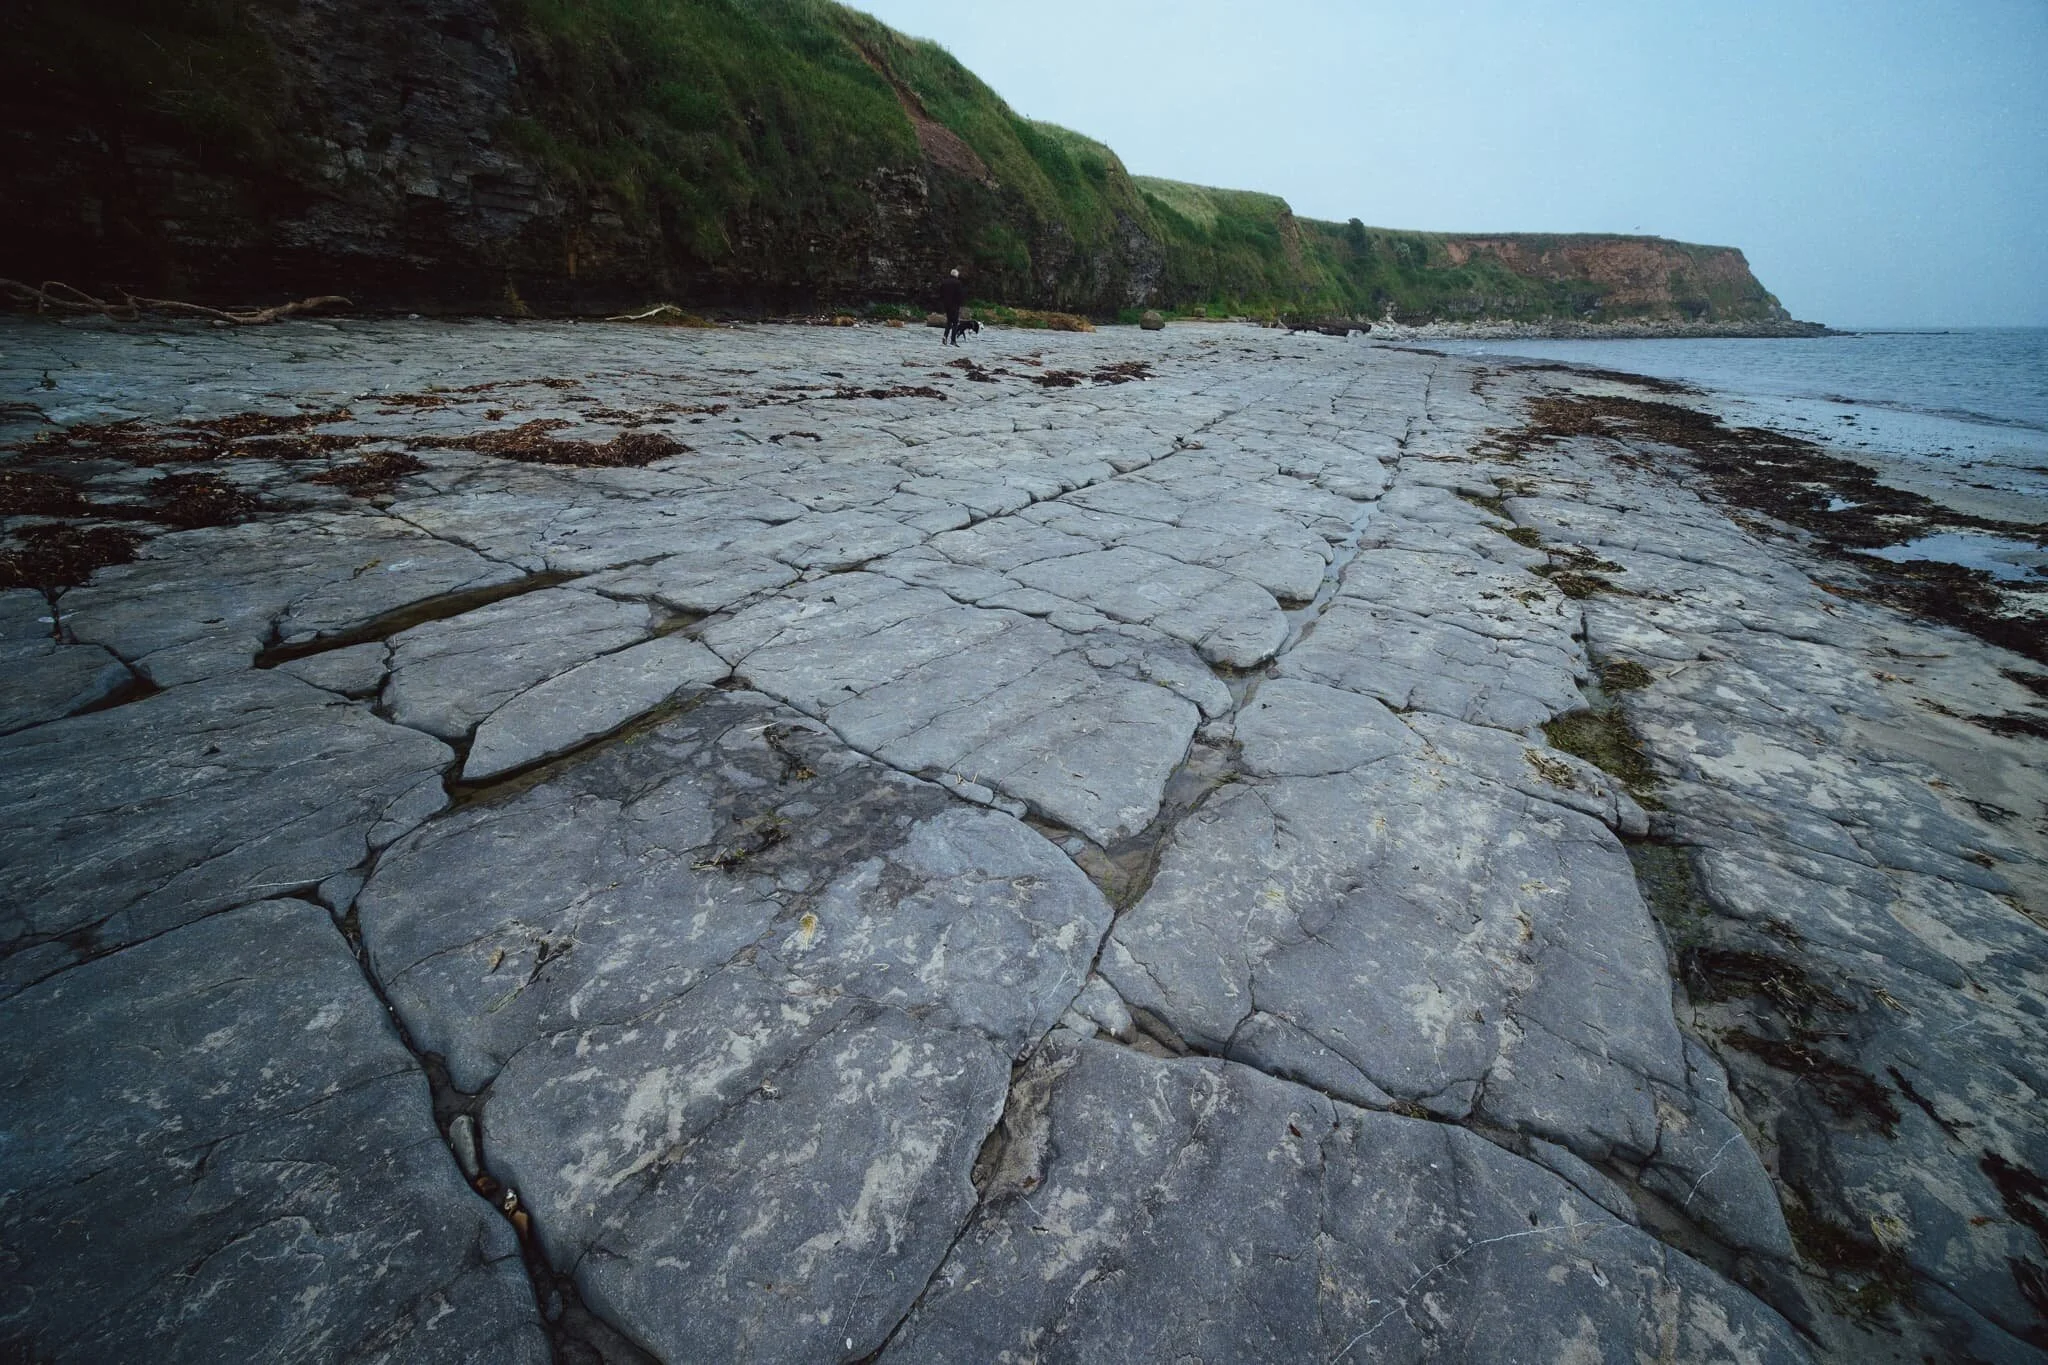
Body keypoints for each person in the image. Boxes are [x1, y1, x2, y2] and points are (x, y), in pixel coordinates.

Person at [939, 268, 966, 345]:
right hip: (954, 305)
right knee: (955, 322)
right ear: (956, 275)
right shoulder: (958, 283)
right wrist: (960, 303)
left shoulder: (944, 282)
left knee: (949, 321)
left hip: (946, 305)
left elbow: (941, 293)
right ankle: (953, 340)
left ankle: (945, 336)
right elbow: (960, 294)